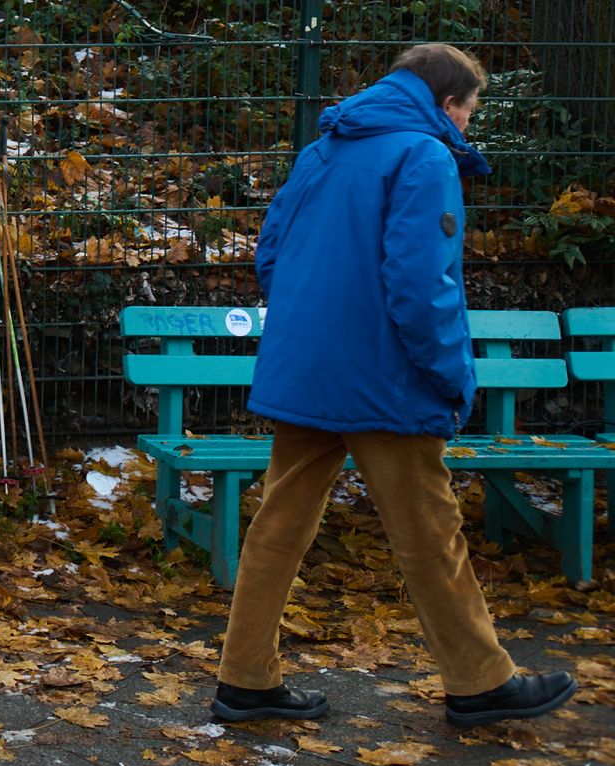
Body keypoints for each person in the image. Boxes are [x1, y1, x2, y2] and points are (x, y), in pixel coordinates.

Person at [211, 43, 577, 729]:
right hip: (385, 377)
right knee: (429, 532)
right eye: (470, 111)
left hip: (308, 369)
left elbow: (271, 257)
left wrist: (314, 331)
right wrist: (450, 375)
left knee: (278, 525)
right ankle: (480, 682)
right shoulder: (425, 156)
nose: (468, 125)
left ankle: (246, 679)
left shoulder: (322, 151)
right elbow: (421, 285)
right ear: (448, 103)